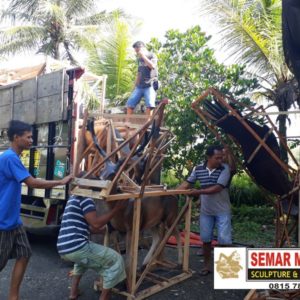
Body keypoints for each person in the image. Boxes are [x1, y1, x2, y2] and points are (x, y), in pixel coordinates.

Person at [0, 120, 73, 300]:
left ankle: (13, 296)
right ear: (16, 138)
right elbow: (31, 182)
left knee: (24, 254)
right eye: (28, 137)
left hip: (13, 221)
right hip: (3, 222)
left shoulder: (11, 157)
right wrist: (60, 182)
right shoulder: (9, 157)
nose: (32, 140)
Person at [57, 194, 126, 300]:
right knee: (116, 260)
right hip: (77, 247)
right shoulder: (86, 199)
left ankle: (73, 293)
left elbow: (85, 226)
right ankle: (104, 297)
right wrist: (116, 209)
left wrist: (102, 231)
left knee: (82, 261)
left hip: (63, 247)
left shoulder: (73, 197)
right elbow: (96, 224)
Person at [178, 144, 232, 276]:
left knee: (224, 240)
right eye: (217, 158)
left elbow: (218, 188)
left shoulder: (225, 169)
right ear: (208, 157)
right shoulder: (198, 169)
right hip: (206, 212)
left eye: (221, 157)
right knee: (206, 240)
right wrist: (174, 192)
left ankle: (226, 271)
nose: (220, 160)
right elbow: (187, 183)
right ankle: (207, 266)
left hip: (222, 211)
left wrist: (198, 192)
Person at [126, 41, 158, 116]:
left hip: (150, 85)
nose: (137, 53)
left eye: (138, 51)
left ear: (142, 47)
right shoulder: (139, 59)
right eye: (136, 51)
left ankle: (147, 125)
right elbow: (139, 73)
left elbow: (152, 66)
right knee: (130, 104)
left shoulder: (152, 55)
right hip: (140, 86)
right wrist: (134, 87)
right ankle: (127, 124)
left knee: (150, 105)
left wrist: (143, 56)